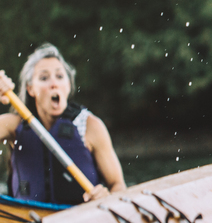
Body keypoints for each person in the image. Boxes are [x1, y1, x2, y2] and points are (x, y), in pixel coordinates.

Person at [0, 43, 125, 204]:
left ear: (68, 85)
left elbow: (118, 185)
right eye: (44, 78)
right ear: (31, 89)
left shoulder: (91, 126)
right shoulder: (13, 126)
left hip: (78, 222)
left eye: (60, 76)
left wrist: (106, 198)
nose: (54, 83)